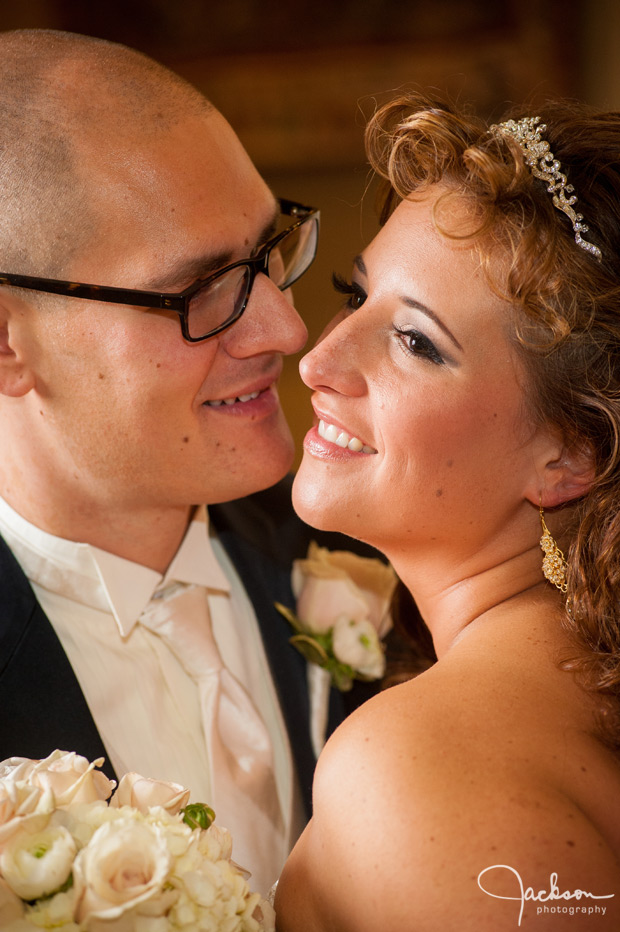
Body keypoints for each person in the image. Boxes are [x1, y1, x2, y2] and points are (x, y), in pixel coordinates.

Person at [0, 28, 373, 895]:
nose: (286, 330)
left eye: (269, 253)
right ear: (9, 344)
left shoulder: (376, 554)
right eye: (200, 292)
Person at [275, 93, 620, 929]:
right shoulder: (573, 695)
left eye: (417, 343)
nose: (318, 359)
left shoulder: (414, 766)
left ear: (569, 456)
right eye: (354, 296)